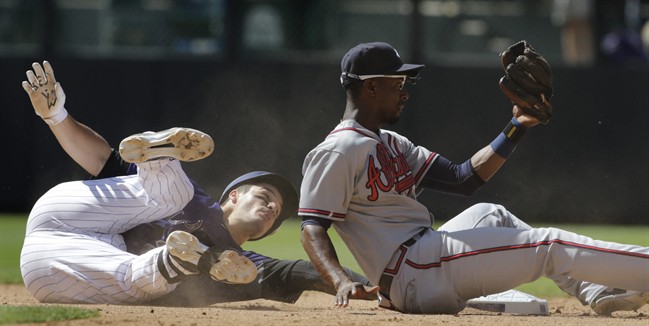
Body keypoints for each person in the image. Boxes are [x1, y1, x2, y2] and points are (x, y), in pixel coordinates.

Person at [298, 42, 649, 315]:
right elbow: (312, 227)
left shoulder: (391, 142)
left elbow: (462, 177)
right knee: (548, 245)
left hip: (425, 257)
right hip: (414, 270)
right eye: (397, 83)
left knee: (491, 213)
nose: (405, 92)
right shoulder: (338, 150)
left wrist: (516, 127)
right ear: (371, 88)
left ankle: (597, 291)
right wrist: (341, 280)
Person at [20, 61, 373, 306]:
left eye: (277, 212)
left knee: (132, 278)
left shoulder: (242, 266)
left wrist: (355, 282)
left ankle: (177, 258)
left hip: (58, 262)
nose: (271, 208)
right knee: (174, 194)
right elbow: (101, 161)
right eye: (265, 196)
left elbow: (300, 271)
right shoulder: (194, 202)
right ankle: (159, 152)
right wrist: (56, 115)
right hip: (75, 214)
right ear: (233, 195)